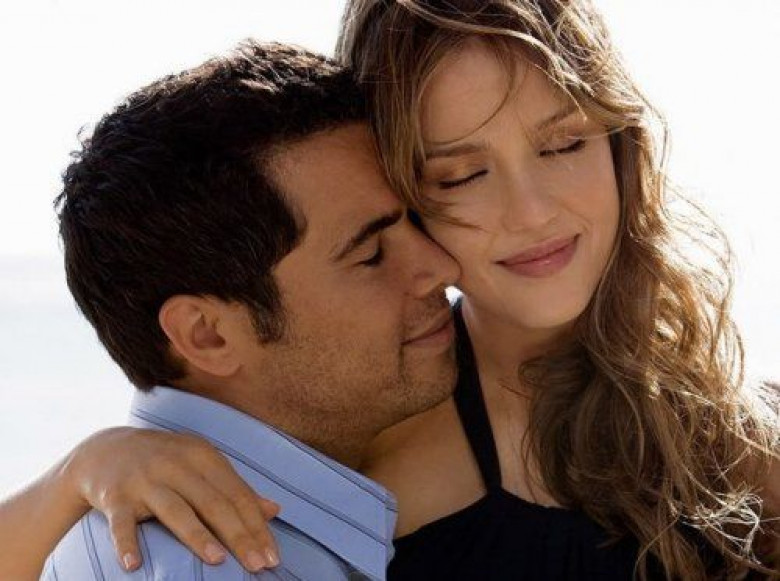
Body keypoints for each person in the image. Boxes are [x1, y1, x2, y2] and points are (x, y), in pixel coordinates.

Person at [1, 0, 778, 579]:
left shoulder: (724, 423)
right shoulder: (362, 416)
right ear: (399, 186)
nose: (533, 211)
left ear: (620, 142)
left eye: (565, 143)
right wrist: (76, 474)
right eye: (461, 175)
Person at [15, 39, 460, 581]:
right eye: (370, 254)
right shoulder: (205, 567)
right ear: (207, 335)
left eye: (416, 220)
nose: (442, 266)